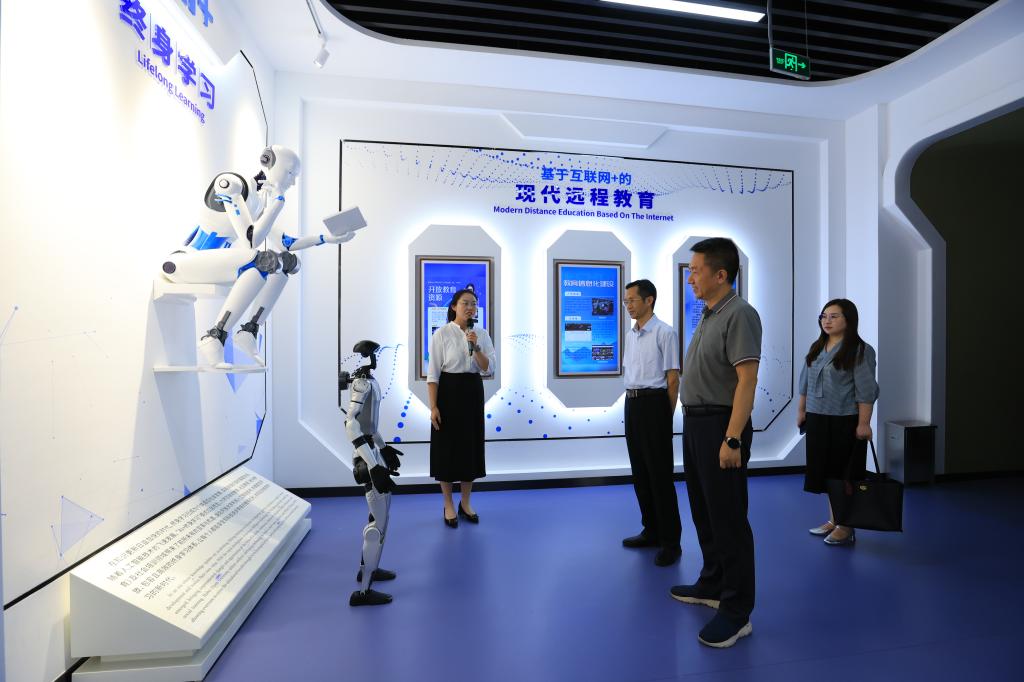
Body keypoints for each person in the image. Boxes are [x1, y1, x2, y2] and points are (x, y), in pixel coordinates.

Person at [670, 237, 761, 649]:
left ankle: (737, 611)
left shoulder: (739, 314)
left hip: (721, 426)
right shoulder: (709, 313)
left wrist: (732, 437)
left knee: (728, 519)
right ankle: (712, 583)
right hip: (696, 425)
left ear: (720, 274)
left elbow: (747, 381)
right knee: (704, 512)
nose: (690, 277)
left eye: (695, 270)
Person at [797, 299, 879, 546]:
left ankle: (846, 525)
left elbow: (866, 391)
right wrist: (801, 410)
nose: (827, 321)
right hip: (817, 418)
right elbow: (805, 383)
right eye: (824, 316)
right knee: (826, 473)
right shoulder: (817, 347)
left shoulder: (860, 350)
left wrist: (864, 423)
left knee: (844, 475)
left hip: (845, 420)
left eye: (834, 316)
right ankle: (834, 519)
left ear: (849, 320)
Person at [620, 278, 682, 567]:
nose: (628, 305)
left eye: (632, 300)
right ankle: (651, 531)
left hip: (655, 404)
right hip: (632, 403)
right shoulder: (631, 334)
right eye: (626, 301)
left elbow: (673, 379)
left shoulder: (665, 332)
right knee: (640, 473)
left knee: (660, 477)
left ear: (649, 300)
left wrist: (664, 418)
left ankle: (671, 542)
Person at [427, 288, 496, 527]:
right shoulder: (441, 334)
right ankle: (448, 504)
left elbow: (489, 368)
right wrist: (433, 407)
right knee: (446, 448)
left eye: (473, 304)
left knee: (470, 447)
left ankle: (465, 502)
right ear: (454, 306)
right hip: (448, 392)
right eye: (465, 303)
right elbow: (433, 375)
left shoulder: (481, 334)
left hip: (472, 392)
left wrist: (476, 347)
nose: (470, 307)